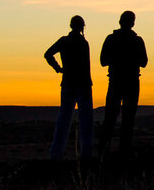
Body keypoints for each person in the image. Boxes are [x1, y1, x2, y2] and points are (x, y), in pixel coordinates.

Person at [98, 10, 148, 156]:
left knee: (110, 119)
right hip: (130, 83)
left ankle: (104, 151)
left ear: (120, 22)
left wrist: (117, 60)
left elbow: (103, 61)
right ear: (132, 23)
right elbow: (144, 62)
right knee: (128, 120)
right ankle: (123, 152)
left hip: (116, 82)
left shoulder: (111, 39)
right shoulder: (137, 41)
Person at [44, 15, 93, 160]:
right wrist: (58, 68)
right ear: (82, 27)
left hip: (68, 83)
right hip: (83, 85)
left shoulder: (64, 41)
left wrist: (59, 68)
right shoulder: (84, 43)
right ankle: (86, 154)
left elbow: (48, 54)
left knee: (64, 119)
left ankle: (56, 153)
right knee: (86, 121)